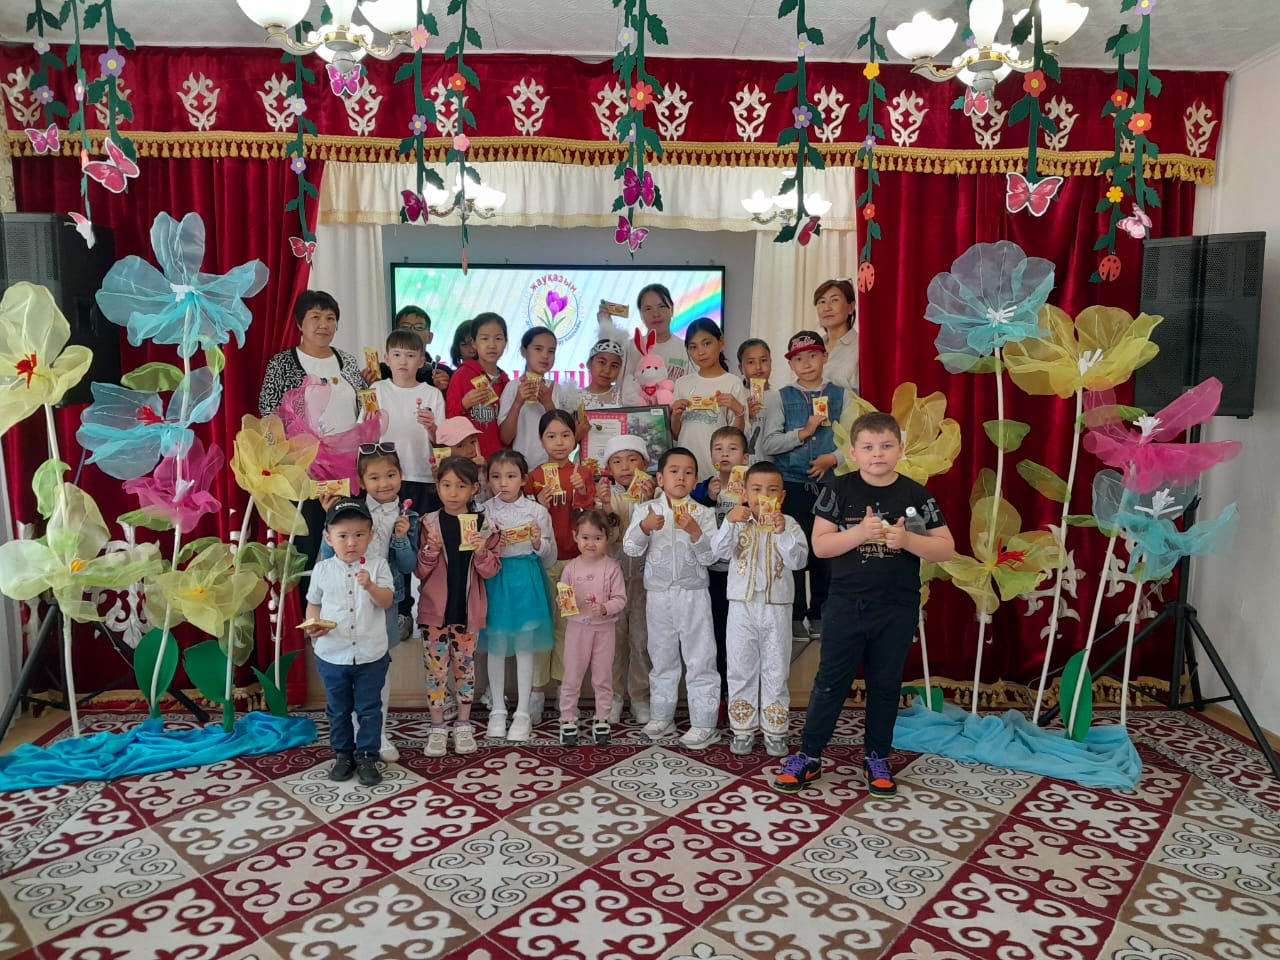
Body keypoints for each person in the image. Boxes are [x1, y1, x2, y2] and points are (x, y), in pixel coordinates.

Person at [772, 412, 954, 799]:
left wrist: (907, 541)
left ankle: (877, 757)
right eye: (868, 447)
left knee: (885, 686)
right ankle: (809, 755)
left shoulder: (915, 495)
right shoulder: (838, 490)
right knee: (829, 684)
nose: (877, 454)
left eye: (886, 446)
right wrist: (858, 532)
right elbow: (821, 546)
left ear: (900, 449)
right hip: (846, 605)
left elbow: (945, 548)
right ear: (853, 452)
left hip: (897, 606)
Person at [318, 444, 419, 762]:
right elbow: (325, 559)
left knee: (378, 669)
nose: (384, 483)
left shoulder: (408, 515)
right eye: (374, 477)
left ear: (401, 475)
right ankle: (351, 733)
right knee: (347, 668)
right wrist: (330, 520)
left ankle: (378, 733)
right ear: (361, 481)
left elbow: (409, 566)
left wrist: (401, 537)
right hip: (346, 601)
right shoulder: (351, 511)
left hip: (384, 600)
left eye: (391, 475)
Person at [258, 290, 365, 571]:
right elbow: (268, 414)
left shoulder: (348, 362)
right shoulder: (282, 363)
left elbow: (364, 406)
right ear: (299, 324)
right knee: (307, 547)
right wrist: (285, 461)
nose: (323, 324)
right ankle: (306, 599)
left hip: (347, 469)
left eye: (330, 318)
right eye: (315, 317)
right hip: (304, 471)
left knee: (348, 543)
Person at [623, 446, 720, 749]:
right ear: (660, 479)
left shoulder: (703, 513)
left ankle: (704, 722)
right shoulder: (646, 511)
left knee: (700, 657)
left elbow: (711, 558)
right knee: (661, 656)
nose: (681, 477)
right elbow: (630, 549)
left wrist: (695, 532)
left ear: (696, 481)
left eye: (688, 472)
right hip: (658, 595)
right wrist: (644, 528)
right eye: (674, 471)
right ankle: (661, 717)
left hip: (694, 595)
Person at [711, 461, 808, 757]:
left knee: (776, 668)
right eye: (756, 489)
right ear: (745, 493)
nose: (763, 495)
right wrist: (729, 522)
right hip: (741, 605)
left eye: (772, 490)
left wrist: (781, 532)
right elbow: (718, 553)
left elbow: (798, 561)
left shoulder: (789, 523)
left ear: (782, 496)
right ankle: (742, 728)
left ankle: (775, 730)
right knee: (740, 666)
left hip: (776, 607)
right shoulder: (737, 520)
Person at [760, 330, 846, 641]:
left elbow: (854, 441)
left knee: (826, 552)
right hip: (792, 484)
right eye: (798, 358)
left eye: (812, 355)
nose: (806, 363)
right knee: (791, 547)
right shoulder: (779, 397)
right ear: (791, 364)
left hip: (830, 485)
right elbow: (769, 443)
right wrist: (804, 433)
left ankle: (821, 613)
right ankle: (795, 614)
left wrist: (832, 459)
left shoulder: (843, 394)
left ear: (824, 357)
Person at [304, 497, 395, 786]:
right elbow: (313, 604)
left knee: (369, 708)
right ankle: (343, 754)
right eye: (342, 536)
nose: (351, 542)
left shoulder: (378, 566)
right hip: (332, 654)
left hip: (371, 655)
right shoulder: (322, 570)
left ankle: (367, 755)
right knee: (338, 708)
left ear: (371, 536)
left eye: (359, 534)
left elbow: (386, 600)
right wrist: (312, 626)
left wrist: (370, 586)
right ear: (328, 538)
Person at [415, 455, 502, 757]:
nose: (453, 493)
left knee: (465, 669)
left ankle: (463, 724)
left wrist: (481, 550)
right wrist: (431, 549)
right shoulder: (427, 523)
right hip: (434, 613)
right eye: (446, 485)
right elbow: (420, 570)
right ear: (437, 486)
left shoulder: (485, 525)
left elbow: (491, 571)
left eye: (461, 486)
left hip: (468, 613)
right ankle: (438, 726)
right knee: (435, 671)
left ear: (474, 488)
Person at [479, 449, 557, 743]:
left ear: (523, 479)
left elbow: (550, 556)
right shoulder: (483, 511)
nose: (503, 483)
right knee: (496, 644)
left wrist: (537, 542)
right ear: (487, 480)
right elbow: (475, 551)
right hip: (495, 579)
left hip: (526, 578)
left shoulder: (537, 511)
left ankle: (523, 711)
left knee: (526, 646)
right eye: (496, 476)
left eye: (511, 476)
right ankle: (498, 710)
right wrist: (487, 541)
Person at [525, 410, 597, 724]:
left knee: (568, 628)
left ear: (575, 438)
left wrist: (581, 493)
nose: (559, 442)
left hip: (572, 566)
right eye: (551, 436)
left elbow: (590, 522)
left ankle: (566, 693)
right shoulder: (534, 476)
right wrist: (537, 505)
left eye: (565, 435)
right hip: (543, 562)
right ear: (541, 440)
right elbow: (526, 522)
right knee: (541, 626)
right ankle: (536, 691)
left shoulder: (583, 473)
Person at [691, 425, 751, 711]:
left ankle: (739, 695)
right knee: (714, 632)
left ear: (745, 457)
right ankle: (718, 695)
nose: (725, 454)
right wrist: (707, 497)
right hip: (712, 573)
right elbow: (690, 513)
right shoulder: (704, 487)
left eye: (732, 449)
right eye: (718, 449)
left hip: (741, 573)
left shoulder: (751, 489)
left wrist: (747, 499)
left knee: (738, 636)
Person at [557, 509, 627, 745]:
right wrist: (562, 601)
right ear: (575, 537)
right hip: (577, 629)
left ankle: (602, 718)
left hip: (604, 631)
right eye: (585, 537)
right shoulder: (570, 568)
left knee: (603, 676)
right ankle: (567, 719)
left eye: (597, 538)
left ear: (607, 538)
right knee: (572, 675)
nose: (590, 543)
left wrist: (606, 608)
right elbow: (562, 596)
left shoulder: (612, 567)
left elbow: (620, 598)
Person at [597, 435, 654, 725]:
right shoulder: (605, 498)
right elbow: (608, 538)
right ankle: (614, 697)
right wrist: (607, 506)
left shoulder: (656, 496)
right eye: (617, 461)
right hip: (612, 583)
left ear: (645, 464)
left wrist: (649, 501)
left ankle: (640, 696)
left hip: (645, 582)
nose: (625, 467)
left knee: (642, 641)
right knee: (614, 643)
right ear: (609, 468)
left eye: (632, 459)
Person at [373, 327, 445, 517]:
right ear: (387, 359)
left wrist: (431, 427)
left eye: (410, 355)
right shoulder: (377, 390)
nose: (403, 361)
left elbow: (441, 442)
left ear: (421, 361)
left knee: (422, 529)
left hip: (422, 475)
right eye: (397, 354)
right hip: (384, 476)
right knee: (387, 529)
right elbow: (365, 436)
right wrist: (368, 425)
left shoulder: (433, 394)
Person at [671, 318, 748, 480]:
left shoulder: (732, 382)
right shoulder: (682, 383)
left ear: (721, 342)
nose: (701, 352)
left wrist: (739, 412)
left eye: (706, 343)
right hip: (685, 473)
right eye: (693, 347)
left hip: (717, 472)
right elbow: (677, 435)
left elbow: (737, 437)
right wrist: (675, 416)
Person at [497, 326, 582, 469]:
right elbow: (506, 437)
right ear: (524, 351)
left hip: (553, 467)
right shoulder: (513, 387)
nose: (545, 356)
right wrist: (518, 402)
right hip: (522, 468)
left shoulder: (556, 388)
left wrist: (548, 403)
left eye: (551, 351)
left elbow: (565, 434)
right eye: (538, 349)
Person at [602, 284, 693, 404]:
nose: (656, 314)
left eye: (662, 306)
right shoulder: (629, 348)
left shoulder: (687, 349)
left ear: (671, 309)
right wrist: (606, 325)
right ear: (641, 315)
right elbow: (610, 378)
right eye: (648, 309)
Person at [445, 312, 510, 459]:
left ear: (505, 342)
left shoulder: (506, 382)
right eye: (484, 338)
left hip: (500, 463)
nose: (492, 345)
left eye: (498, 338)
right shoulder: (462, 375)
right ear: (474, 343)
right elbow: (449, 421)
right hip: (470, 462)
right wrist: (464, 405)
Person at [374, 306, 452, 391]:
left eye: (419, 327)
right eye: (405, 327)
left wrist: (443, 390)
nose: (412, 331)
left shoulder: (442, 373)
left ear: (430, 337)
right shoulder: (380, 371)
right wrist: (371, 385)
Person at [813, 279, 858, 392]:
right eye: (822, 301)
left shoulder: (860, 347)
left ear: (851, 307)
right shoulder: (813, 346)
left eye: (834, 300)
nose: (827, 308)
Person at [737, 338, 773, 454]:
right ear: (740, 368)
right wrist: (745, 415)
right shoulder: (736, 396)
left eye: (763, 360)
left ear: (771, 363)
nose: (758, 367)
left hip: (770, 462)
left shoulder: (779, 397)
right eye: (751, 362)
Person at [581, 339, 625, 409]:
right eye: (602, 362)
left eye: (614, 366)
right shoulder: (573, 398)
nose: (607, 371)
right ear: (589, 363)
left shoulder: (624, 397)